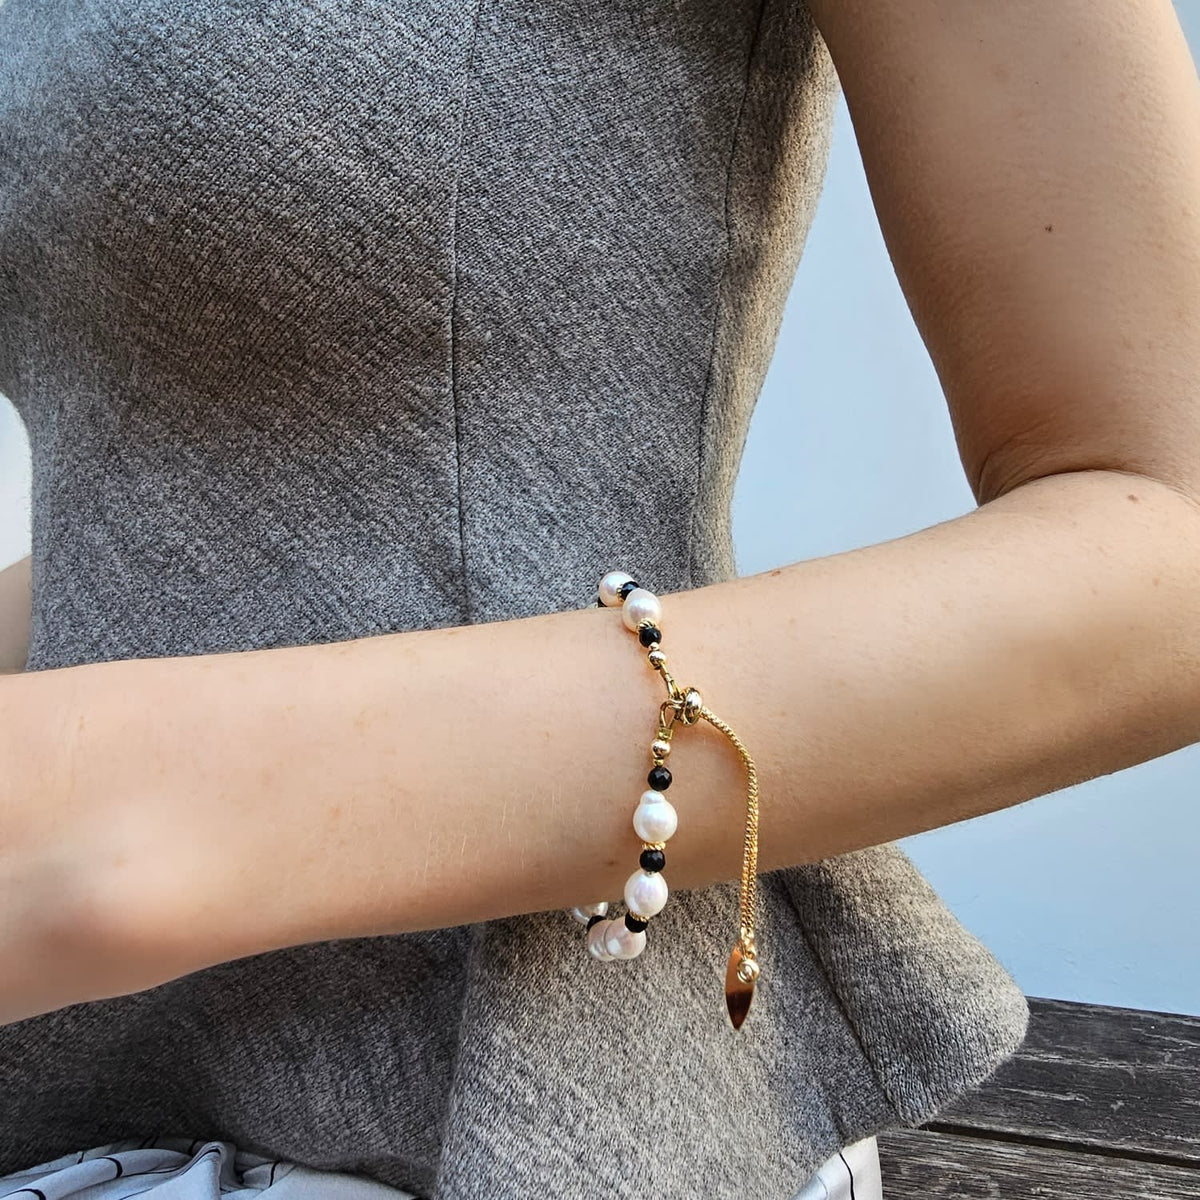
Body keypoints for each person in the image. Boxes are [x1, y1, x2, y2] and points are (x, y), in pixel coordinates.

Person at [1, 0, 1198, 1197]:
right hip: (76, 1078)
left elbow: (1168, 538)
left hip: (526, 1097)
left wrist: (132, 803)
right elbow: (180, 514)